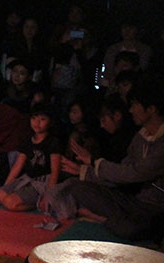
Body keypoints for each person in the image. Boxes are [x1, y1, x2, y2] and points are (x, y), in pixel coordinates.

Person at [59, 80, 164, 239]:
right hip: (134, 200)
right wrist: (84, 171)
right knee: (78, 187)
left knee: (132, 229)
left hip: (156, 206)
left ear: (151, 109)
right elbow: (121, 174)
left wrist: (94, 162)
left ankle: (106, 220)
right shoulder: (141, 136)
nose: (131, 110)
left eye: (135, 105)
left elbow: (135, 173)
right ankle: (112, 220)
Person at [0, 104, 62, 212]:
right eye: (34, 118)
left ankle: (38, 204)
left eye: (42, 119)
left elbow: (55, 171)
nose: (37, 123)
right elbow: (17, 165)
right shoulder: (28, 140)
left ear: (51, 122)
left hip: (42, 182)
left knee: (10, 203)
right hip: (27, 179)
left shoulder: (52, 142)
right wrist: (6, 186)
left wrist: (48, 195)